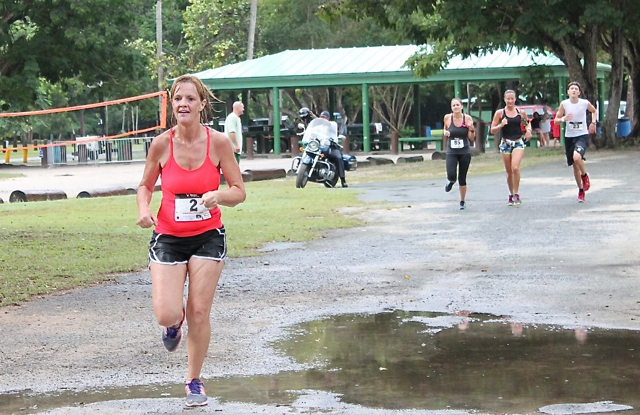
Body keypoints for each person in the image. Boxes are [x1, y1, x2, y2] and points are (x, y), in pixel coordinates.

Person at [136, 75, 246, 407]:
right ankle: (173, 327)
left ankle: (194, 381)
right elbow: (144, 185)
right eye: (178, 99)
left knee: (198, 309)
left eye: (190, 99)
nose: (183, 104)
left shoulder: (219, 143)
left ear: (202, 105)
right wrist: (144, 209)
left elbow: (239, 192)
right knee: (167, 313)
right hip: (168, 236)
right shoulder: (160, 144)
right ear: (173, 105)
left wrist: (218, 196)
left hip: (208, 237)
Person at [554, 81, 597, 203]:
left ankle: (584, 176)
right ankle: (581, 190)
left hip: (582, 135)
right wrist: (564, 118)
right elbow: (556, 120)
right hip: (569, 136)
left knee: (577, 157)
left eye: (576, 89)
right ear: (568, 92)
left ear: (579, 92)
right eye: (571, 88)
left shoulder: (584, 103)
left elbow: (594, 111)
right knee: (574, 165)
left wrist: (593, 123)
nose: (573, 90)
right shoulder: (564, 104)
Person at [490, 90, 532, 206]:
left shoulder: (520, 112)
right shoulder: (500, 113)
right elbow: (492, 130)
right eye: (508, 99)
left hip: (518, 142)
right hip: (505, 143)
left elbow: (527, 123)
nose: (510, 101)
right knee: (509, 172)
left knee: (515, 168)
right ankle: (511, 194)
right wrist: (501, 125)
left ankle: (516, 193)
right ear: (504, 99)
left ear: (515, 99)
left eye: (512, 99)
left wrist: (528, 130)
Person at [442, 98, 476, 210]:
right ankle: (450, 181)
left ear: (461, 106)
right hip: (452, 150)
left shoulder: (467, 118)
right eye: (453, 105)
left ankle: (462, 201)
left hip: (464, 150)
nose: (455, 107)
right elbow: (445, 129)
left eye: (457, 105)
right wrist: (445, 132)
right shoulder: (447, 118)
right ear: (451, 108)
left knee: (462, 177)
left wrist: (471, 129)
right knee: (451, 174)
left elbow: (471, 138)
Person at [315, 109, 348, 188]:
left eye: (324, 117)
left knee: (339, 158)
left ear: (328, 118)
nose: (322, 119)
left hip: (331, 147)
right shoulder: (318, 127)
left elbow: (328, 125)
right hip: (320, 146)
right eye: (321, 117)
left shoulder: (333, 124)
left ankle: (343, 180)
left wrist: (314, 117)